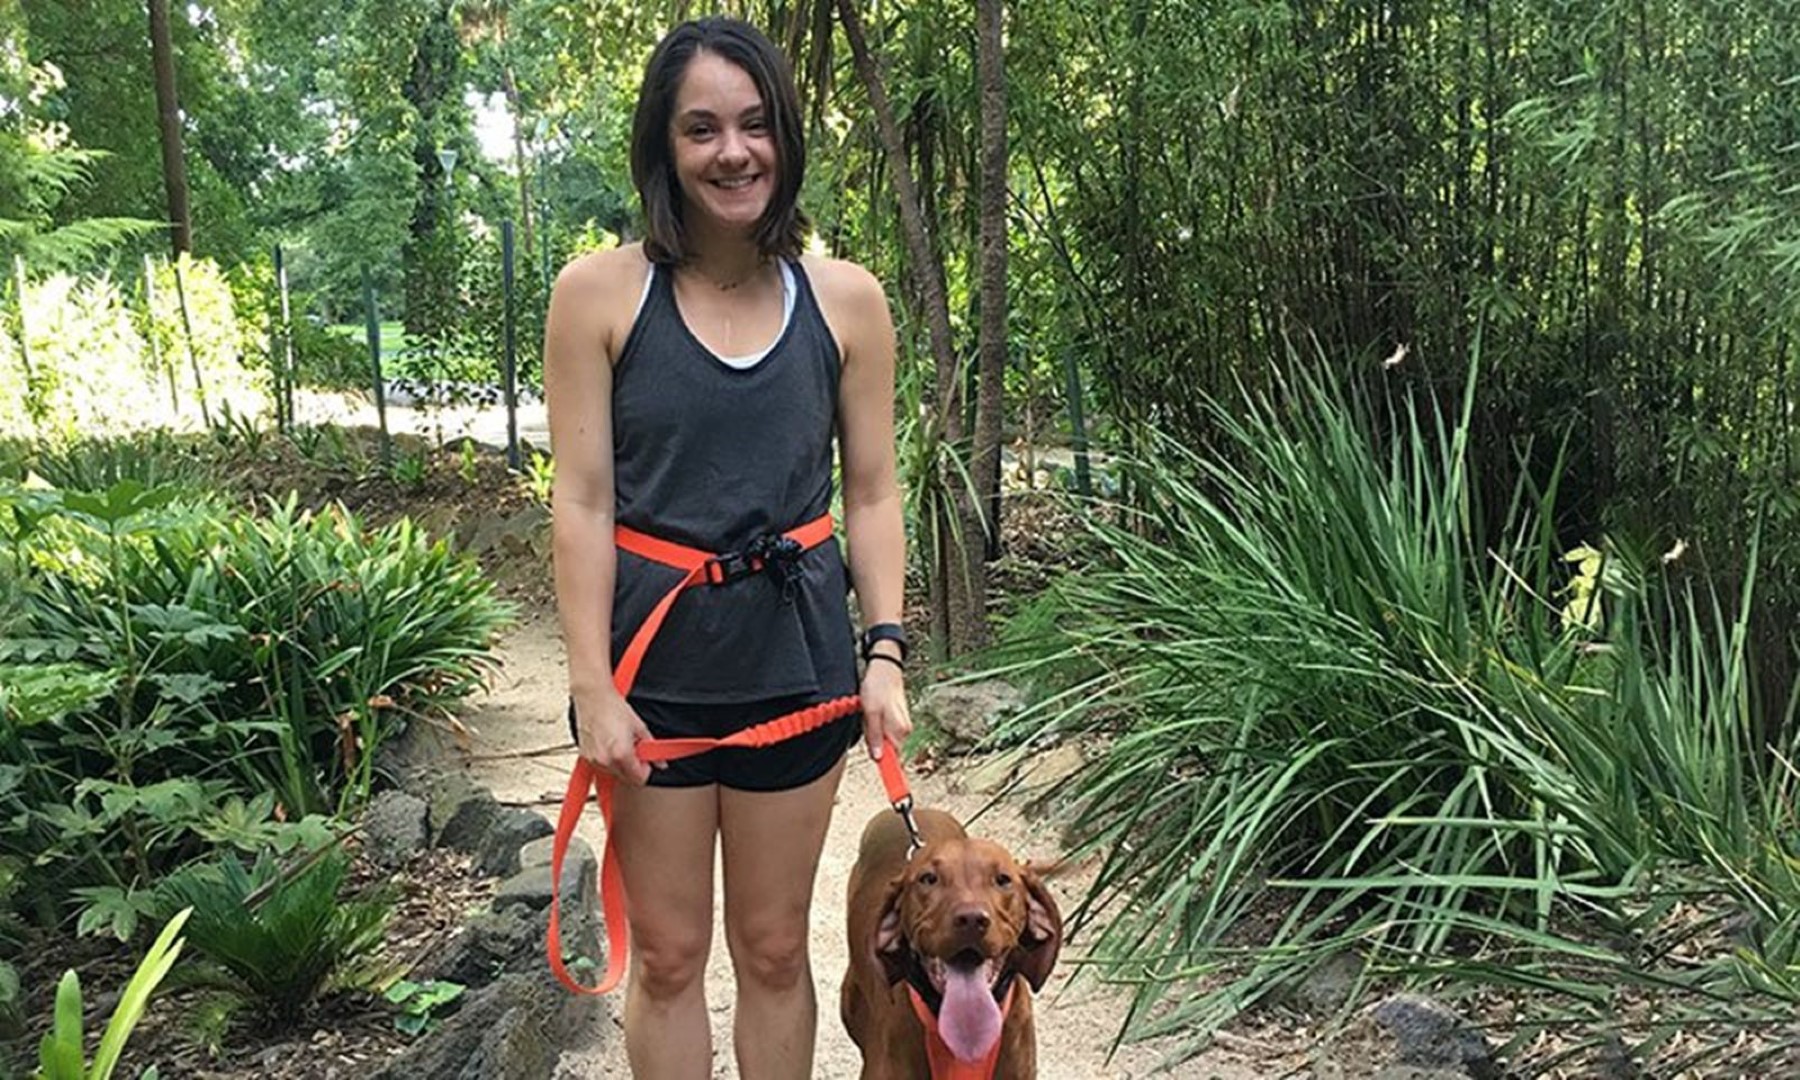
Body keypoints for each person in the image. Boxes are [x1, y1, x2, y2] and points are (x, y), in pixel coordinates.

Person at [541, 15, 911, 1079]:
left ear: (785, 136)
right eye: (701, 129)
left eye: (754, 125)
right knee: (665, 957)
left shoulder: (847, 302)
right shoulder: (597, 296)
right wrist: (591, 686)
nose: (733, 151)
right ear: (663, 147)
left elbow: (873, 491)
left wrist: (885, 653)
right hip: (650, 677)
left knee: (774, 949)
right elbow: (582, 502)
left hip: (795, 668)